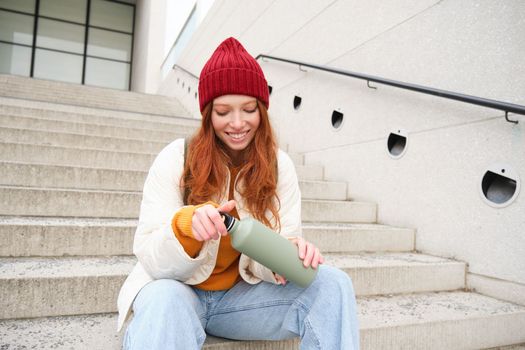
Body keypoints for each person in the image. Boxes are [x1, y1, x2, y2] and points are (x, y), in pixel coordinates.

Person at [117, 37, 359, 349]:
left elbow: (275, 250)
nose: (237, 123)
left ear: (262, 110)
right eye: (223, 111)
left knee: (333, 284)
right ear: (207, 114)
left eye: (248, 109)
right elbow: (151, 256)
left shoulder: (279, 166)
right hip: (177, 292)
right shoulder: (176, 157)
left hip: (241, 301)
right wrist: (187, 227)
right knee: (164, 301)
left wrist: (284, 257)